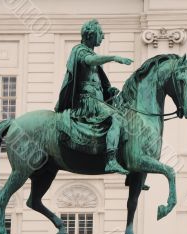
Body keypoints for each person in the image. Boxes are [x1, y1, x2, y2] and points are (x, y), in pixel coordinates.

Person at [55, 19, 133, 175]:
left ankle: (130, 167)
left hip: (97, 99)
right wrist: (114, 57)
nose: (103, 37)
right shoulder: (79, 50)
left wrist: (108, 91)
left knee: (126, 117)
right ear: (90, 34)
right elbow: (90, 61)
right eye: (100, 33)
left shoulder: (91, 53)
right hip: (86, 101)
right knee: (117, 118)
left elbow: (97, 81)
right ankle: (111, 160)